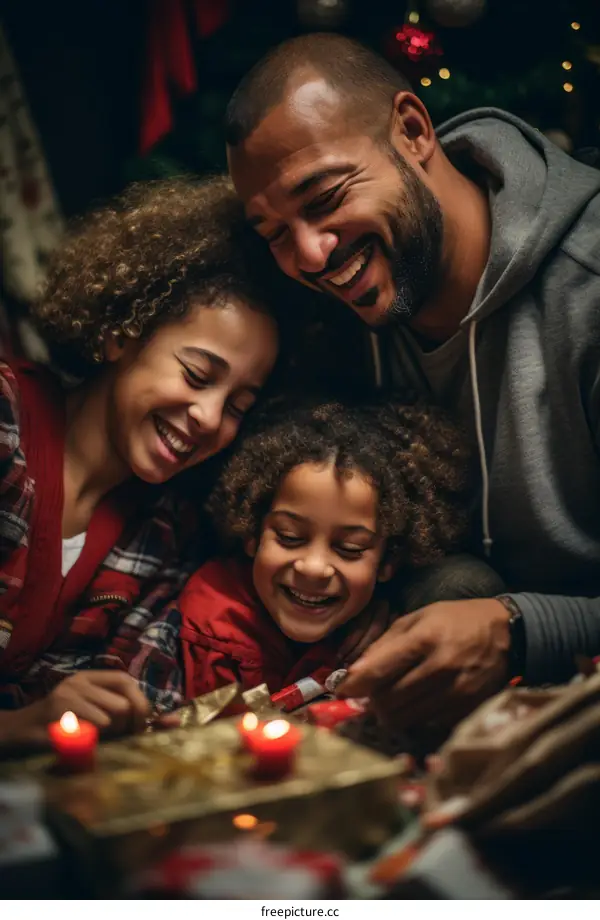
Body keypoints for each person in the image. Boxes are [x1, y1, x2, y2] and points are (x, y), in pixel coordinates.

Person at [224, 32, 600, 728]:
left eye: (326, 195)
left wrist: (518, 628)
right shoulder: (323, 321)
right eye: (273, 232)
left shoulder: (590, 288)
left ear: (412, 129)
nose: (309, 254)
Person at [0, 176, 279, 747]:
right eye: (198, 376)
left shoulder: (165, 534)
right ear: (120, 335)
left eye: (238, 408)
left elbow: (122, 703)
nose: (208, 416)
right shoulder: (6, 421)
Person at [177, 393, 495, 706]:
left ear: (388, 561)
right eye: (289, 537)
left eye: (349, 548)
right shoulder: (210, 623)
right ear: (252, 534)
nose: (314, 567)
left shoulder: (391, 632)